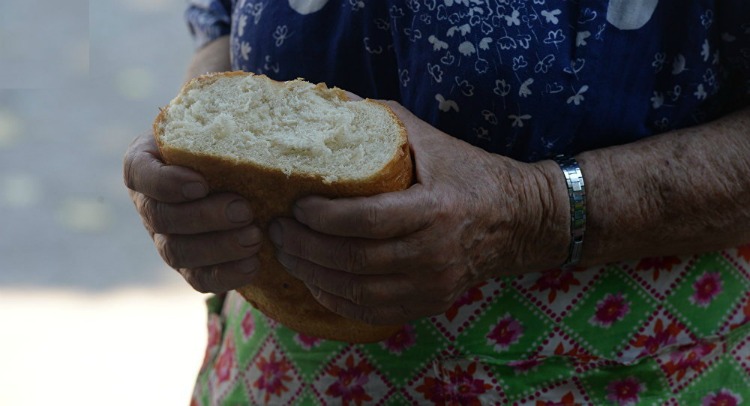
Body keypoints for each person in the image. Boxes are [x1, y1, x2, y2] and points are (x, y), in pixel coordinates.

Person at [124, 1, 750, 404]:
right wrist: (200, 147)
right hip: (292, 369)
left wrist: (537, 211)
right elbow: (227, 21)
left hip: (624, 367)